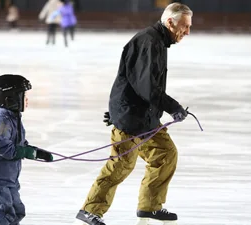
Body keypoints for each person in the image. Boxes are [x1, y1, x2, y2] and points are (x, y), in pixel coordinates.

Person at [75, 3, 193, 225]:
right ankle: (89, 211)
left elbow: (134, 81)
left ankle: (150, 206)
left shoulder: (157, 41)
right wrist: (172, 106)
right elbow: (146, 86)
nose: (187, 31)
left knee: (165, 154)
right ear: (170, 22)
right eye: (185, 26)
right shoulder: (149, 43)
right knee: (120, 166)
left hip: (143, 116)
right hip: (132, 118)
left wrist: (119, 109)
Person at [0, 74, 53, 225]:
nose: (27, 100)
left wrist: (36, 152)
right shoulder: (3, 122)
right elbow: (0, 146)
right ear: (10, 98)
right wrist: (25, 152)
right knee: (2, 211)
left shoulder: (14, 118)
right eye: (23, 96)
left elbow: (19, 144)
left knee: (16, 210)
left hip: (8, 176)